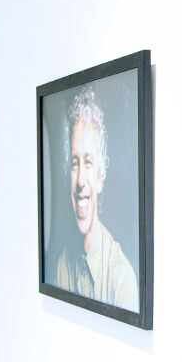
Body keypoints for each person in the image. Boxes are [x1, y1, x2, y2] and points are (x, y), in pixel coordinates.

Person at [53, 86, 139, 311]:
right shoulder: (62, 264)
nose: (81, 179)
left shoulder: (122, 280)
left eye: (88, 162)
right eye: (75, 162)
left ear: (101, 177)